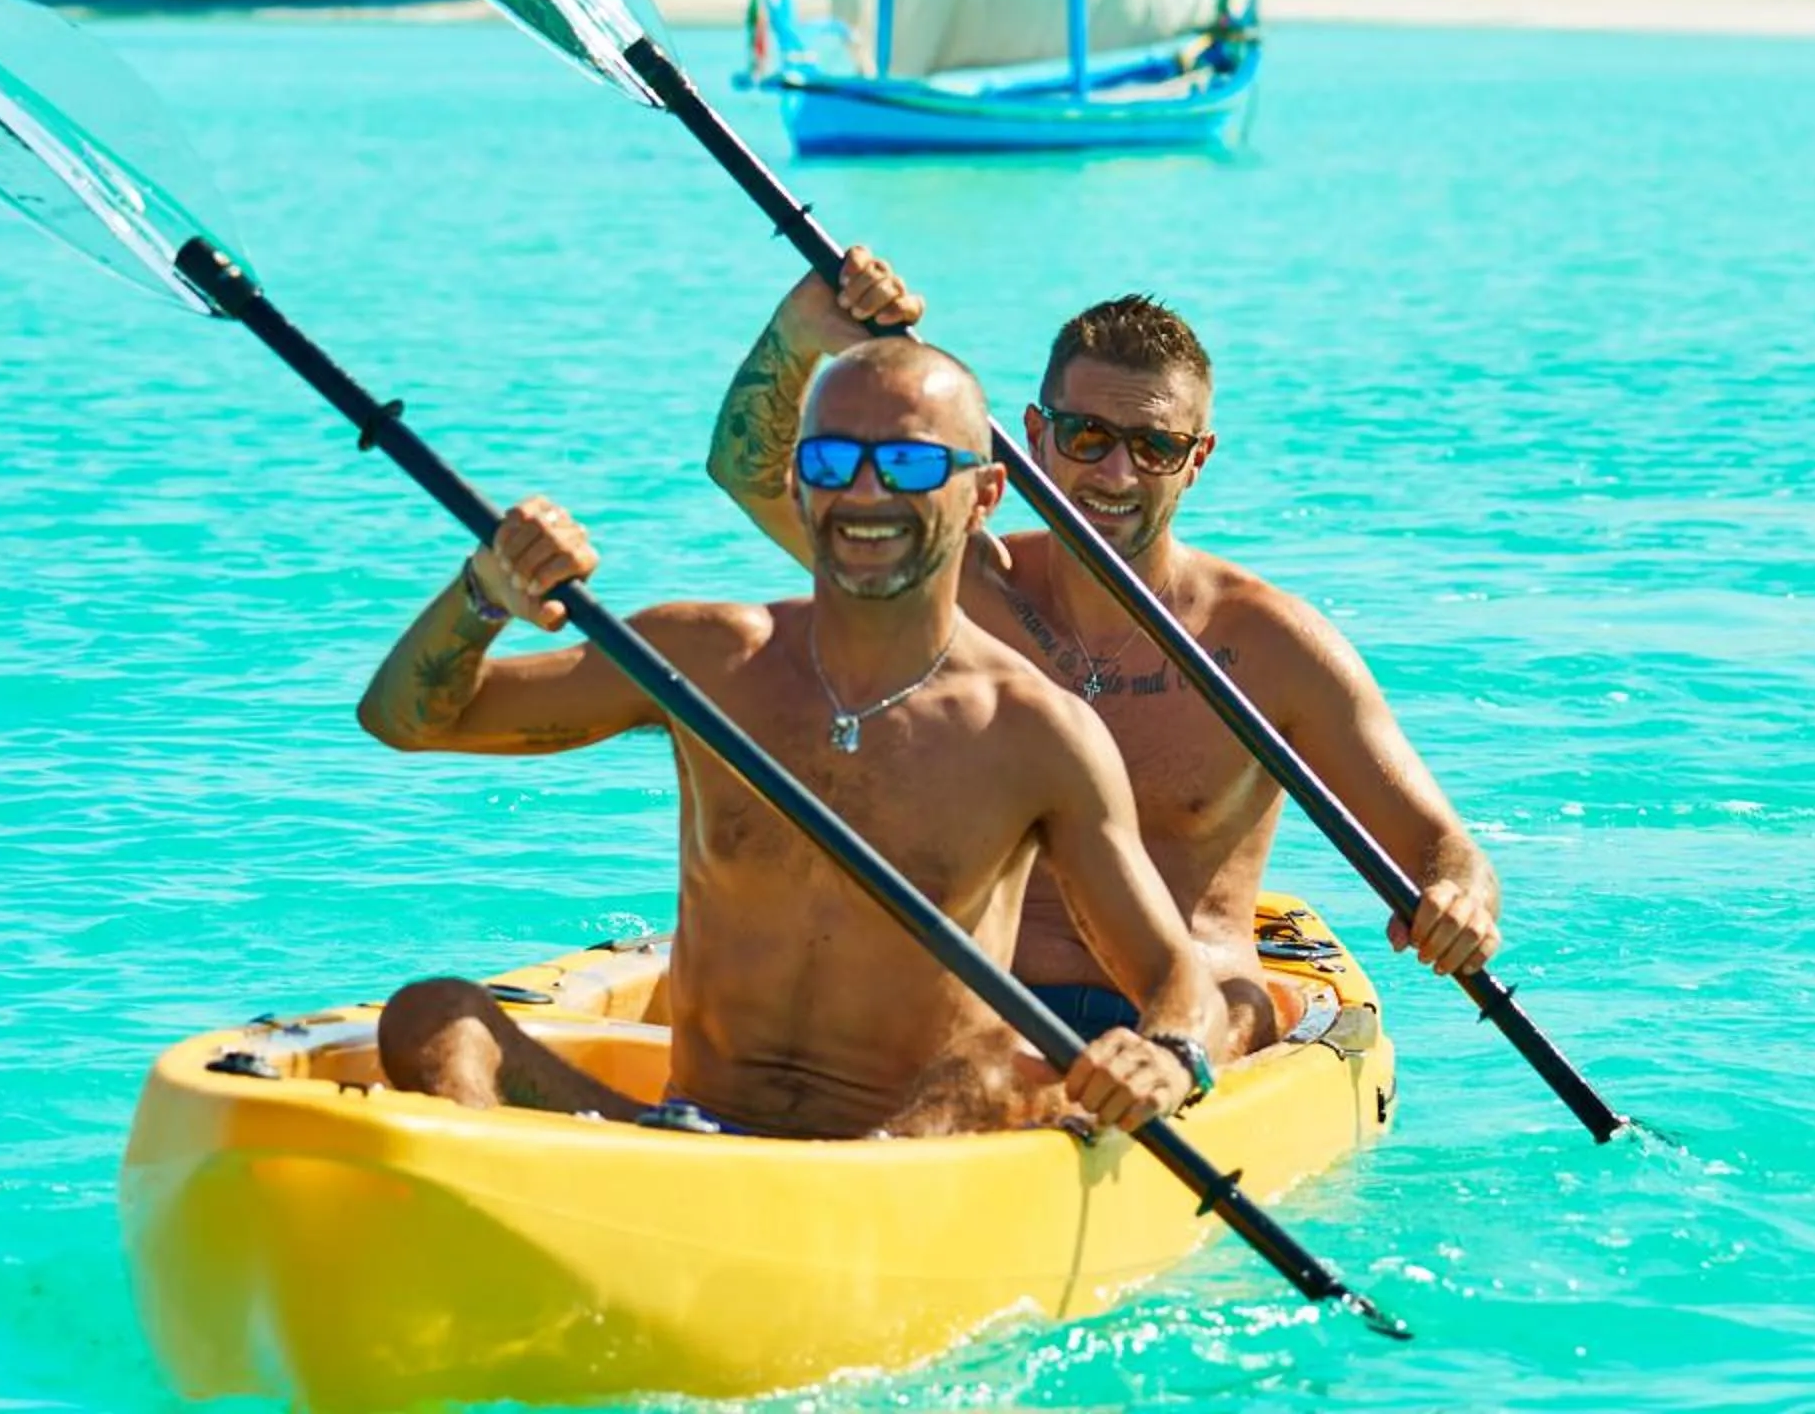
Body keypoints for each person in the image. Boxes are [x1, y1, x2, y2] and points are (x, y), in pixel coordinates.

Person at [357, 337, 1223, 1141]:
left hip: (908, 1155)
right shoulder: (707, 660)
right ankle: (525, 1212)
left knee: (1001, 1090)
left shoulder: (1035, 731)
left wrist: (1167, 1056)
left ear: (984, 495)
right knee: (433, 1020)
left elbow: (1174, 981)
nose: (867, 493)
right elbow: (406, 719)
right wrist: (484, 594)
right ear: (803, 485)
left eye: (912, 463)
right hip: (691, 1132)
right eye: (833, 460)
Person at [707, 250, 1503, 1056]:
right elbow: (748, 470)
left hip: (1181, 1024)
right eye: (1088, 436)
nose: (1116, 472)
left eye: (1154, 446)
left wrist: (1456, 901)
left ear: (1197, 461)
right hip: (969, 1004)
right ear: (1033, 438)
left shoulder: (1270, 647)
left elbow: (1442, 848)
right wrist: (802, 331)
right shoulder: (954, 585)